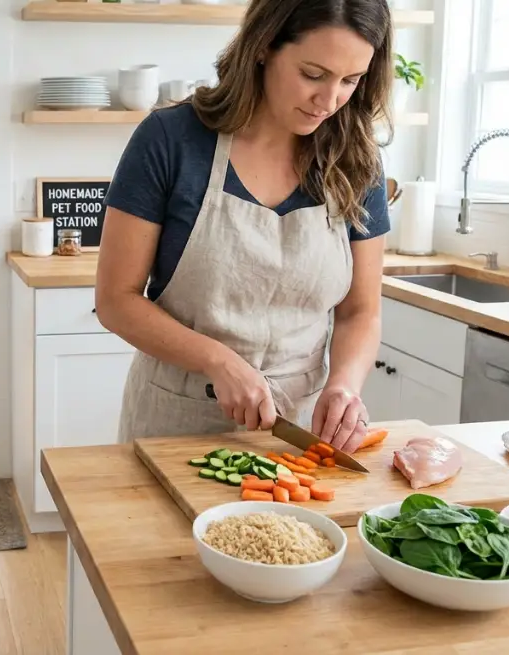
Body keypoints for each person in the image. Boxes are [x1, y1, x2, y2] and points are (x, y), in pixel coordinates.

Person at [95, 0, 394, 454]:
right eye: (313, 74)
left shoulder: (357, 161)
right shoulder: (170, 140)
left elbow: (360, 312)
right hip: (177, 422)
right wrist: (218, 360)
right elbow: (116, 301)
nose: (329, 100)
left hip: (299, 429)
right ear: (263, 48)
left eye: (350, 81)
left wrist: (345, 386)